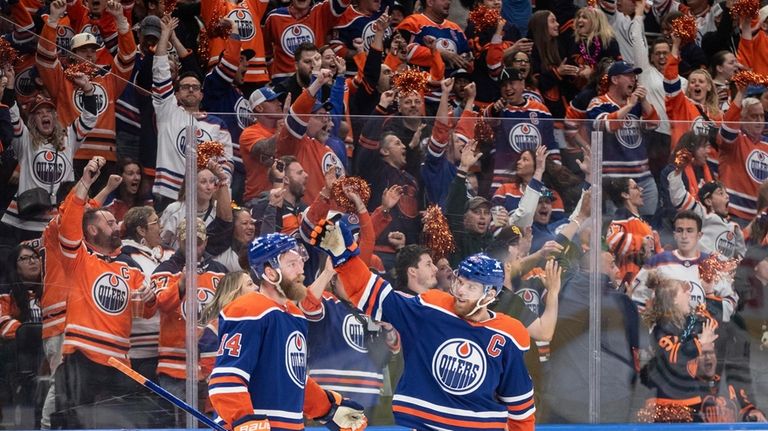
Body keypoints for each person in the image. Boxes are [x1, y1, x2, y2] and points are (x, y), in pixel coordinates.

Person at [309, 215, 538, 430]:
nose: (460, 291)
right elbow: (377, 296)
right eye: (461, 282)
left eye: (472, 287)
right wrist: (345, 257)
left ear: (490, 295)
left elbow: (521, 410)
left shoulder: (509, 333)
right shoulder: (432, 308)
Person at [207, 233, 367, 431]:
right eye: (292, 264)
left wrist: (329, 408)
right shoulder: (248, 310)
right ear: (270, 273)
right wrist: (243, 419)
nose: (301, 271)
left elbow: (293, 378)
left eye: (301, 262)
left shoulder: (295, 315)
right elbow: (226, 377)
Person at [53, 157, 157, 429]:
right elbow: (68, 222)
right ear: (92, 229)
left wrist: (150, 298)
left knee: (129, 422)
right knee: (73, 423)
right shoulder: (79, 259)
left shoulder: (129, 268)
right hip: (82, 358)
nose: (117, 225)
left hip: (119, 362)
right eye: (110, 222)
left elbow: (145, 311)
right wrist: (87, 180)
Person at [0, 66, 99, 238]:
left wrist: (88, 89)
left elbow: (89, 117)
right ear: (33, 120)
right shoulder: (25, 140)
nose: (44, 115)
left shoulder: (69, 138)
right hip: (22, 221)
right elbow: (13, 115)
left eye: (48, 111)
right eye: (39, 113)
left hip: (57, 221)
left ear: (55, 117)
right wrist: (9, 86)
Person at [153, 217, 228, 426]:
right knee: (177, 426)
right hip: (174, 368)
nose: (194, 247)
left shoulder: (220, 271)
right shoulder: (165, 269)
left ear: (205, 241)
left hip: (210, 367)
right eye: (188, 242)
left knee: (209, 425)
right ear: (179, 241)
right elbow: (161, 304)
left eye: (198, 241)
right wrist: (183, 282)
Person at [587, 60, 660, 216]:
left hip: (643, 177)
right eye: (628, 76)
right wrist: (629, 106)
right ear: (615, 80)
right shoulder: (598, 102)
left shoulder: (636, 103)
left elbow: (654, 124)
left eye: (634, 77)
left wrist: (644, 100)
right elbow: (606, 125)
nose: (633, 80)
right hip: (615, 179)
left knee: (649, 222)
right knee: (618, 222)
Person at [121, 206, 173, 380]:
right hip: (139, 350)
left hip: (164, 347)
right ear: (141, 230)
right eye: (156, 222)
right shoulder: (125, 258)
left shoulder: (164, 254)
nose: (161, 226)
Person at [103, 158, 153, 222]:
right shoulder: (110, 195)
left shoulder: (146, 194)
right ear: (120, 177)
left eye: (138, 173)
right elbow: (108, 224)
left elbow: (151, 221)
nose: (136, 178)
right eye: (130, 174)